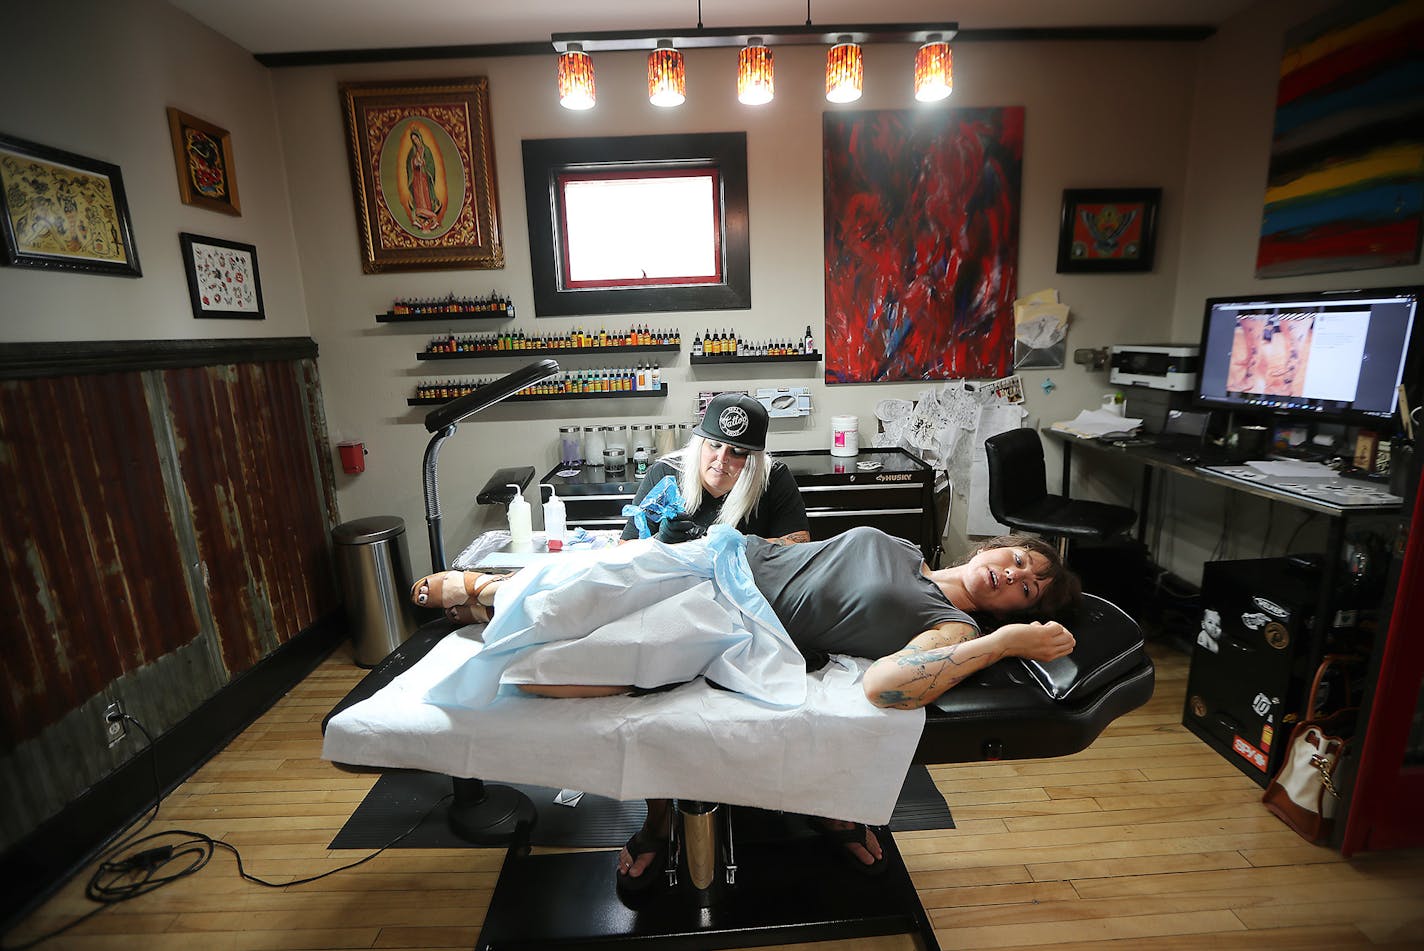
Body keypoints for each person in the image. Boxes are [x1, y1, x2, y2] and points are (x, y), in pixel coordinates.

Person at [411, 524, 1080, 884]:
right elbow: (815, 560)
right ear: (996, 545)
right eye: (1021, 559)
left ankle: (492, 605)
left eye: (1028, 592)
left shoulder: (955, 627)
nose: (1017, 575)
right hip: (725, 556)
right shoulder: (906, 549)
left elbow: (888, 686)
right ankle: (489, 589)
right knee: (594, 578)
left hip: (731, 617)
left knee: (542, 674)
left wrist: (1005, 642)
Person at [622, 392, 810, 546]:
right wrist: (659, 542)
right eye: (714, 445)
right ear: (700, 444)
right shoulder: (665, 473)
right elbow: (624, 549)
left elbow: (799, 543)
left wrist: (739, 544)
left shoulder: (773, 477)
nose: (721, 459)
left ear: (753, 459)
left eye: (737, 452)